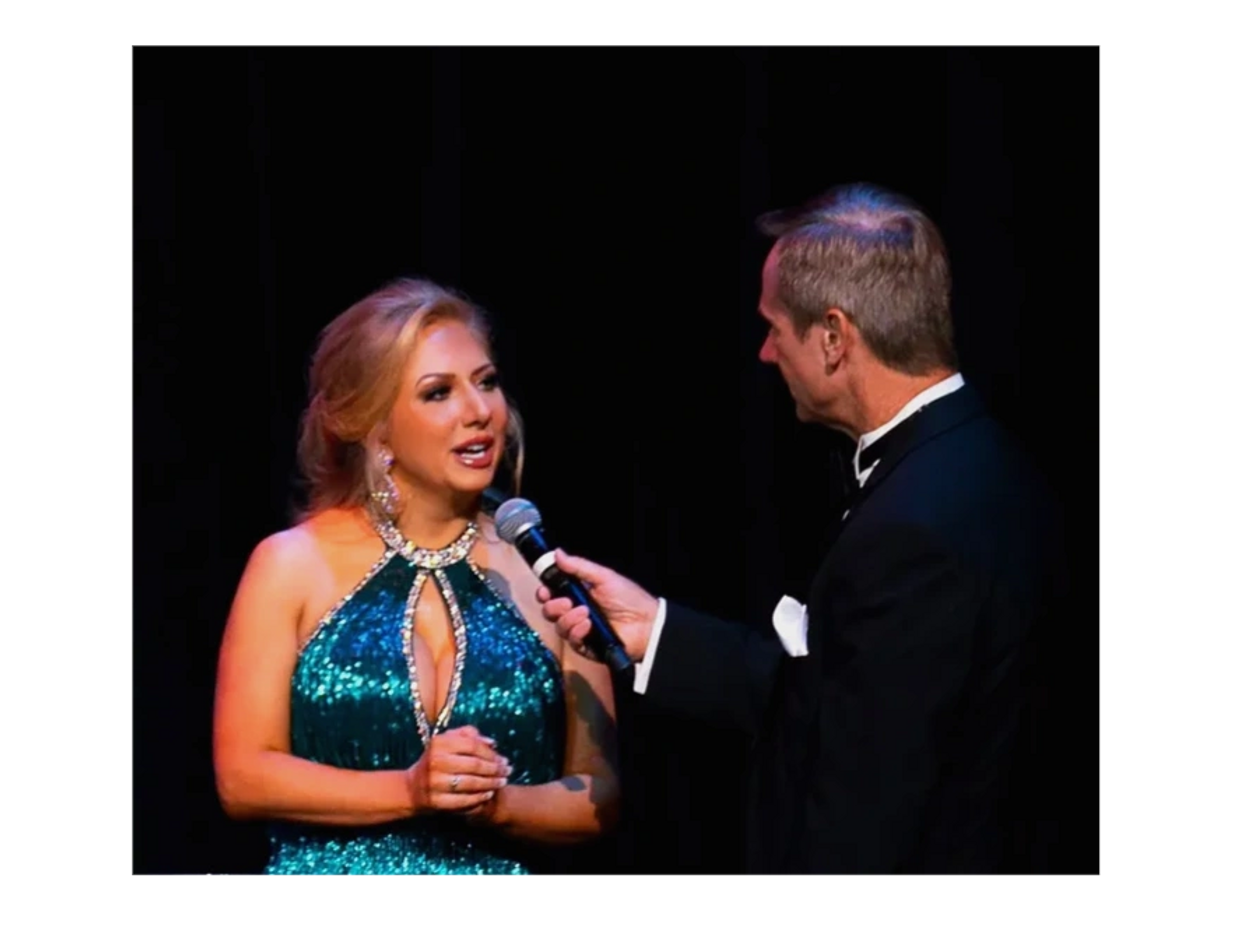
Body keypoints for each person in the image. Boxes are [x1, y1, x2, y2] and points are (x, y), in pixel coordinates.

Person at [538, 182, 1064, 876]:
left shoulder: (915, 529)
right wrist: (655, 629)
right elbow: (842, 699)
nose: (764, 353)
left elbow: (864, 809)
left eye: (774, 327)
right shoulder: (976, 462)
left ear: (835, 338)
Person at [212, 277, 619, 876]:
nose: (480, 412)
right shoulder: (289, 565)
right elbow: (242, 776)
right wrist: (409, 789)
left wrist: (495, 803)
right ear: (375, 429)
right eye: (438, 393)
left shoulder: (544, 574)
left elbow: (598, 796)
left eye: (487, 382)